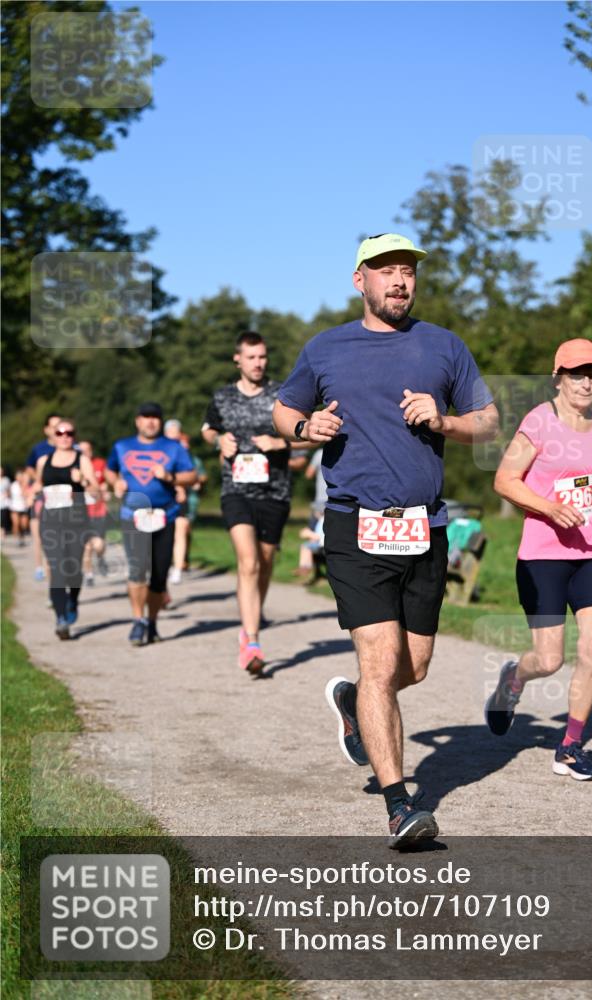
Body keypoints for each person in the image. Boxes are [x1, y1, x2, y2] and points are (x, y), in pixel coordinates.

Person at [273, 233, 498, 846]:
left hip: (425, 525)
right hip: (354, 524)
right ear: (360, 282)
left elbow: (489, 420)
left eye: (407, 272)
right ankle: (401, 804)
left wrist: (445, 419)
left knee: (414, 667)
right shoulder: (325, 348)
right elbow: (283, 410)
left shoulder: (444, 346)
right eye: (386, 271)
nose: (399, 281)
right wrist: (303, 425)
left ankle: (354, 706)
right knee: (379, 662)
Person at [486, 338, 592, 781]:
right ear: (559, 377)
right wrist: (549, 508)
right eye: (578, 373)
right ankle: (514, 679)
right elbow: (505, 480)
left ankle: (570, 747)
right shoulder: (539, 422)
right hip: (544, 555)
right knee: (549, 660)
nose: (588, 382)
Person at [202, 331, 292, 674]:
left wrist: (280, 443)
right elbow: (208, 429)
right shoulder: (223, 397)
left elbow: (308, 432)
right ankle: (251, 638)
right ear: (237, 359)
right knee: (249, 561)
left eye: (263, 357)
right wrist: (219, 440)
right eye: (252, 357)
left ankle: (252, 618)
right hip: (235, 490)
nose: (259, 363)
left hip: (275, 491)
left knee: (265, 563)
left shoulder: (282, 395)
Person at [106, 402, 196, 646]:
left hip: (164, 515)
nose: (150, 422)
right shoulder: (122, 446)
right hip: (132, 515)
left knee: (158, 575)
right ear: (137, 421)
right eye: (145, 417)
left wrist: (170, 477)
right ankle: (138, 620)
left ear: (160, 421)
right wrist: (115, 483)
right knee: (137, 571)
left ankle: (152, 621)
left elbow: (191, 476)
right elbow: (110, 470)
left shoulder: (173, 447)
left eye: (155, 417)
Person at [32, 421, 99, 639]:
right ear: (53, 435)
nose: (64, 436)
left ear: (74, 436)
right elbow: (38, 487)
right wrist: (33, 493)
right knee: (57, 569)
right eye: (60, 432)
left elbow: (96, 492)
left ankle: (73, 600)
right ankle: (61, 619)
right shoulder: (44, 461)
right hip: (51, 521)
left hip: (76, 521)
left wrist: (84, 481)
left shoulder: (82, 460)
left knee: (73, 569)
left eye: (69, 433)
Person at [25, 413, 62, 580]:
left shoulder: (69, 446)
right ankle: (40, 567)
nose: (57, 430)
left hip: (62, 499)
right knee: (40, 535)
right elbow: (29, 469)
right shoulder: (39, 449)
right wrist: (38, 480)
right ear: (46, 429)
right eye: (53, 426)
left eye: (59, 425)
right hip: (42, 496)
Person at [169, 432, 207, 583]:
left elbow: (199, 475)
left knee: (182, 531)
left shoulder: (193, 460)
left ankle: (178, 568)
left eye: (186, 443)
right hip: (165, 499)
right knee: (165, 535)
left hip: (185, 500)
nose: (184, 446)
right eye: (181, 443)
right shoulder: (168, 456)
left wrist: (195, 481)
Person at [79, 441, 110, 585]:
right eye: (82, 450)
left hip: (99, 511)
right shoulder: (74, 467)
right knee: (87, 545)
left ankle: (101, 558)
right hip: (82, 513)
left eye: (87, 450)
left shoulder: (100, 463)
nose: (85, 453)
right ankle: (89, 574)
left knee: (99, 544)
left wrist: (104, 488)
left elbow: (106, 482)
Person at [294, 448, 327, 578]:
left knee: (314, 531)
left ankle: (310, 568)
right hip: (342, 500)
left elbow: (309, 474)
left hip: (321, 500)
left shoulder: (320, 453)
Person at [9, 468, 30, 545]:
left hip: (24, 507)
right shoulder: (13, 485)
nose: (19, 478)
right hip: (14, 507)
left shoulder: (26, 485)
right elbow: (9, 495)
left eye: (21, 476)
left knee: (24, 525)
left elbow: (27, 495)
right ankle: (18, 538)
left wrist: (23, 487)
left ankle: (22, 538)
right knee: (16, 523)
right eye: (18, 476)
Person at [0, 466, 11, 538]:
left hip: (4, 502)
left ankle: (3, 532)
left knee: (3, 518)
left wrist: (5, 495)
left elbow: (9, 491)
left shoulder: (6, 480)